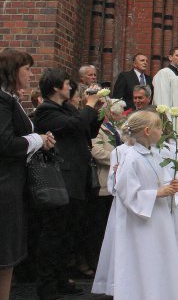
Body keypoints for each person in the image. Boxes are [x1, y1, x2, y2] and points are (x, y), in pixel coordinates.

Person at [33, 68, 103, 299]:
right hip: (60, 178)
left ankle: (62, 278)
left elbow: (85, 129)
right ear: (55, 87)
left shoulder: (68, 108)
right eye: (66, 83)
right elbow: (72, 126)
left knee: (68, 233)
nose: (69, 87)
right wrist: (89, 107)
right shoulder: (46, 111)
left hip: (76, 177)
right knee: (53, 234)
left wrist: (96, 112)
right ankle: (47, 285)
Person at [112, 110, 178, 299]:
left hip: (159, 218)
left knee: (162, 260)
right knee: (146, 262)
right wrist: (157, 193)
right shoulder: (131, 158)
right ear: (147, 131)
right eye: (158, 127)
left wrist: (171, 186)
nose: (162, 130)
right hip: (141, 224)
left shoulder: (155, 154)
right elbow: (126, 193)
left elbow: (159, 179)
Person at [0, 48, 55, 300]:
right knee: (4, 254)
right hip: (5, 187)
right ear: (13, 70)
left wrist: (41, 140)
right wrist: (36, 138)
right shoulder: (2, 100)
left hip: (13, 185)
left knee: (8, 257)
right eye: (27, 69)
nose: (30, 74)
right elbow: (5, 144)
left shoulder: (9, 98)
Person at [89, 99, 126, 268]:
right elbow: (96, 151)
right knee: (100, 226)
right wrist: (118, 160)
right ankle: (97, 262)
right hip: (104, 182)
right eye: (117, 115)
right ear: (110, 114)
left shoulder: (118, 130)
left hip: (118, 184)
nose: (120, 118)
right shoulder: (99, 130)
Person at [152, 47, 178, 129]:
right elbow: (162, 99)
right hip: (171, 121)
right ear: (170, 57)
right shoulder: (164, 73)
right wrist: (166, 122)